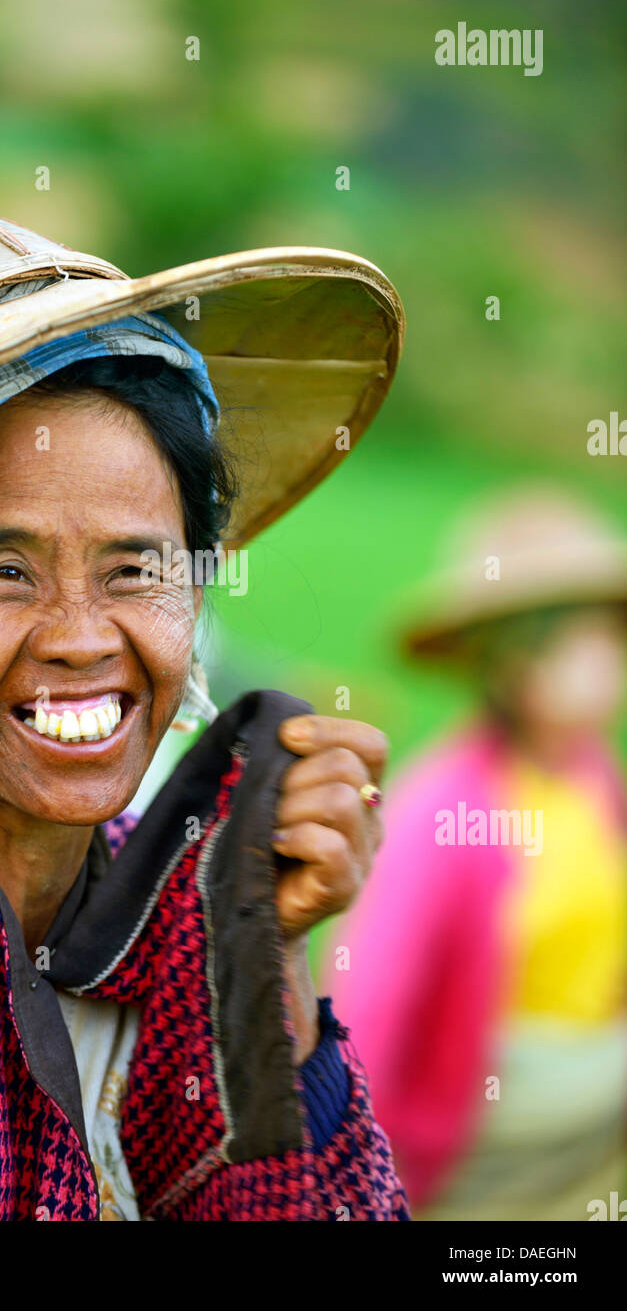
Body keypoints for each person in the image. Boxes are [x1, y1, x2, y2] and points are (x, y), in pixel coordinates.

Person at [0, 203, 408, 1220]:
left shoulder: (175, 909)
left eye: (135, 568)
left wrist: (265, 959)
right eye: (8, 571)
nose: (80, 636)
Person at [323, 487, 627, 1220]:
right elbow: (373, 1007)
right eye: (574, 642)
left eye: (609, 637)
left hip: (594, 1110)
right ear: (511, 659)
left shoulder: (593, 778)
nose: (604, 662)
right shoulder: (443, 810)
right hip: (487, 1143)